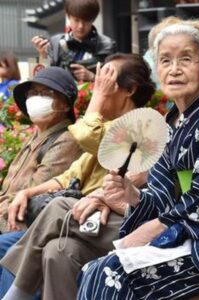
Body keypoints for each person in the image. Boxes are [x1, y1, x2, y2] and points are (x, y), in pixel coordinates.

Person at [77, 21, 199, 299]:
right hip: (188, 237)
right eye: (165, 60)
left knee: (109, 274)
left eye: (186, 59)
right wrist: (131, 194)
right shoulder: (172, 125)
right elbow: (161, 198)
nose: (175, 69)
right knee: (91, 270)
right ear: (157, 69)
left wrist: (150, 230)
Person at [0, 53, 154, 300]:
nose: (98, 85)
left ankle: (15, 295)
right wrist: (27, 193)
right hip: (80, 219)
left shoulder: (142, 128)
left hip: (110, 219)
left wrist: (98, 97)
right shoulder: (110, 126)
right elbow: (71, 175)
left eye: (107, 79)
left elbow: (84, 135)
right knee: (56, 251)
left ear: (130, 89)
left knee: (48, 214)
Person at [0, 66, 82, 233]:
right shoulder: (37, 135)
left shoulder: (67, 139)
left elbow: (32, 195)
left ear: (65, 105)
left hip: (20, 227)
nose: (36, 98)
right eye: (33, 93)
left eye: (46, 93)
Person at [31, 0, 115, 82]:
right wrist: (43, 55)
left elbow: (115, 79)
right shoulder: (56, 42)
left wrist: (92, 77)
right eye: (76, 20)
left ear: (93, 19)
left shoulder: (107, 45)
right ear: (68, 16)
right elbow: (43, 78)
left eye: (86, 21)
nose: (80, 26)